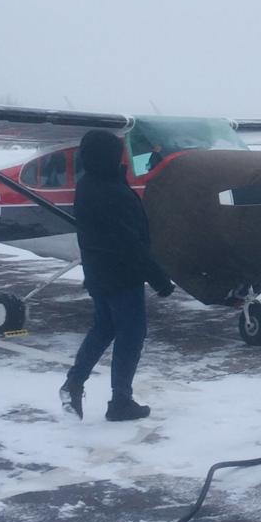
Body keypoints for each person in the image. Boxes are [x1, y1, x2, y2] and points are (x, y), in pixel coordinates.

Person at [60, 129, 174, 422]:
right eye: (118, 153)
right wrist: (159, 279)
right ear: (109, 157)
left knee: (104, 328)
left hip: (98, 273)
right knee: (131, 335)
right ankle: (121, 401)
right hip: (122, 276)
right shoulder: (112, 192)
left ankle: (74, 382)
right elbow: (130, 243)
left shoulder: (88, 185)